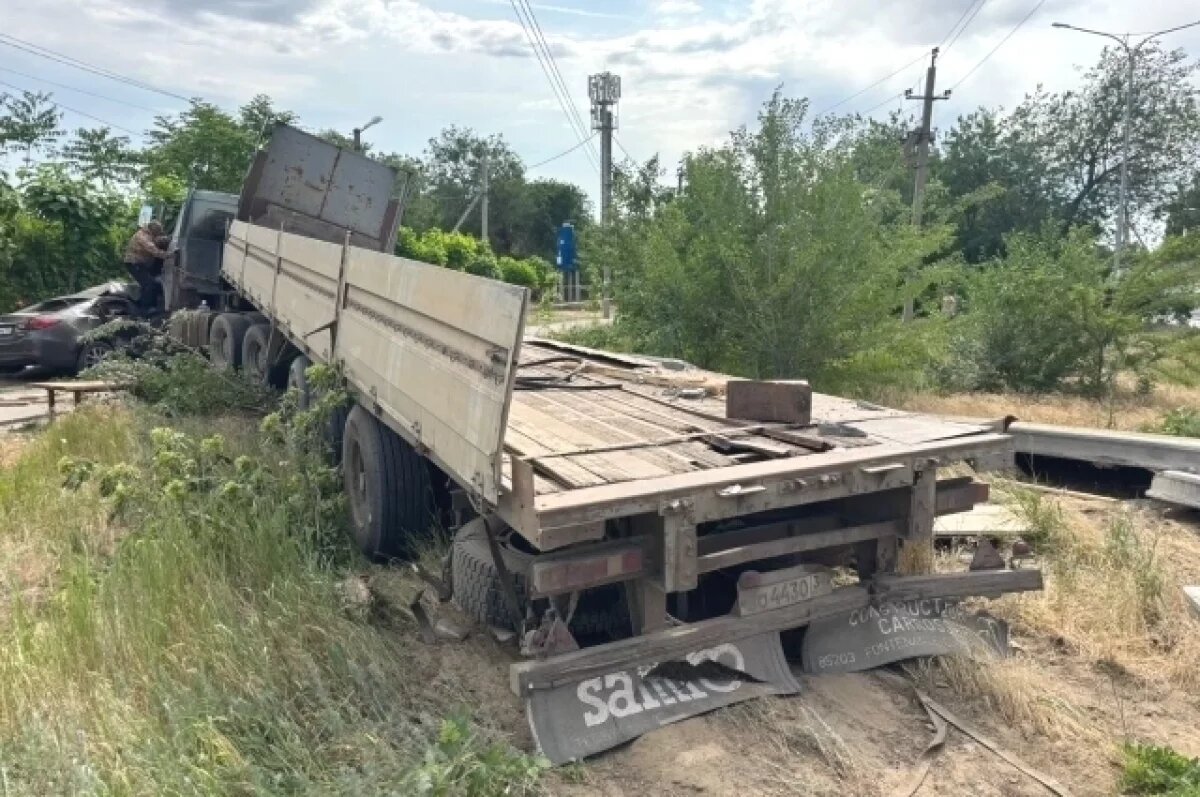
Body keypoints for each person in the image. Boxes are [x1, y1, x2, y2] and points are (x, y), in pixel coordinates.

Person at [123, 221, 168, 314]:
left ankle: (144, 305)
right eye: (158, 233)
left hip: (140, 263)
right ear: (153, 231)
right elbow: (152, 249)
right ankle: (145, 309)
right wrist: (168, 255)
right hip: (134, 263)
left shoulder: (148, 234)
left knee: (150, 283)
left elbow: (157, 240)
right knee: (148, 283)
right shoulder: (142, 236)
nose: (158, 235)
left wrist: (167, 240)